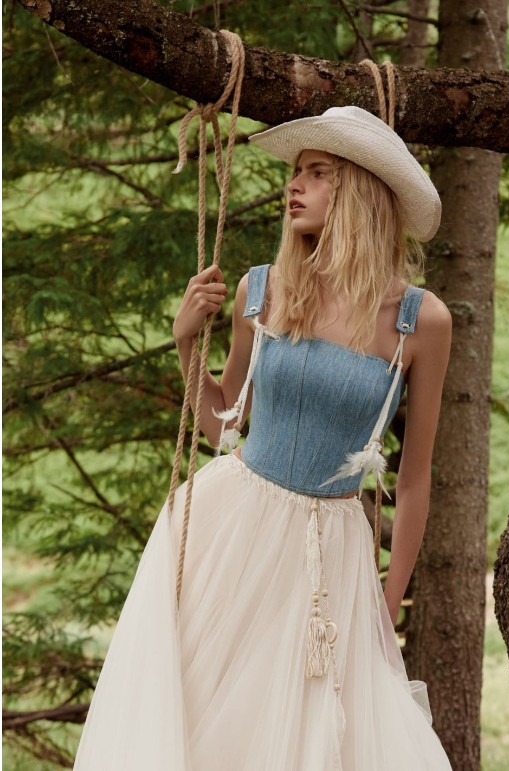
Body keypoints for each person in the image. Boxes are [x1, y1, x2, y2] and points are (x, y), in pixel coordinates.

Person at [73, 106, 453, 770]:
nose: (294, 184)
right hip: (236, 526)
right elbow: (224, 421)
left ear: (360, 188)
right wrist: (187, 342)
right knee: (213, 716)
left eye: (317, 171)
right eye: (295, 171)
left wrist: (387, 604)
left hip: (332, 551)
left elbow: (416, 477)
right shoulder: (264, 289)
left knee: (322, 732)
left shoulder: (421, 321)